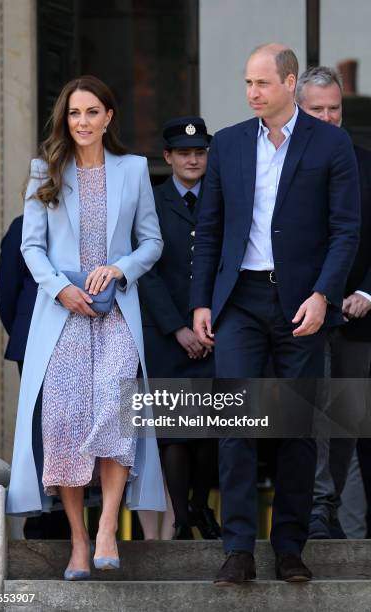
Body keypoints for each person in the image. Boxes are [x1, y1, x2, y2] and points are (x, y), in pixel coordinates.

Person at [191, 44, 360, 584]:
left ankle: (290, 547)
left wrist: (324, 294)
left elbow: (345, 230)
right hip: (239, 301)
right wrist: (201, 301)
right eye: (247, 83)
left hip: (302, 304)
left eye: (262, 83)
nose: (252, 93)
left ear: (289, 83)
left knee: (296, 426)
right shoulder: (231, 143)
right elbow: (210, 231)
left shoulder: (332, 145)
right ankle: (237, 549)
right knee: (234, 422)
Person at [6, 75, 166, 580]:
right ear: (65, 118)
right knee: (63, 424)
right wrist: (59, 289)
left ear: (109, 117)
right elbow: (31, 247)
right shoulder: (45, 170)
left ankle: (107, 528)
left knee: (118, 411)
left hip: (117, 314)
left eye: (92, 112)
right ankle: (78, 539)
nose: (82, 122)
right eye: (74, 113)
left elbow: (152, 242)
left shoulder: (135, 169)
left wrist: (120, 269)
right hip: (63, 318)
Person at [296, 66, 371, 539]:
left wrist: (366, 291)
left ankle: (326, 512)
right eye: (316, 109)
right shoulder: (280, 165)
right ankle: (308, 510)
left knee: (343, 417)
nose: (327, 117)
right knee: (297, 415)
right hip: (296, 315)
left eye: (334, 108)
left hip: (356, 320)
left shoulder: (368, 165)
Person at [139, 117, 220, 540]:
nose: (193, 159)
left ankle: (200, 506)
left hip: (215, 331)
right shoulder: (149, 201)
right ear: (168, 156)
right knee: (173, 432)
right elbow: (145, 273)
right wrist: (178, 328)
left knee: (213, 428)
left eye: (200, 151)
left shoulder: (225, 198)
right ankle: (182, 518)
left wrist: (210, 325)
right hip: (165, 334)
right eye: (184, 152)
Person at [0, 215, 38, 375]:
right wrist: (22, 331)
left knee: (121, 398)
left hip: (104, 341)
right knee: (39, 401)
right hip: (33, 342)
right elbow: (6, 296)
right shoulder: (22, 225)